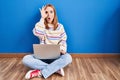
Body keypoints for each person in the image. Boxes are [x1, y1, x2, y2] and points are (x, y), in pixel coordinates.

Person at [22, 4, 72, 79]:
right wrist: (42, 18)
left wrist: (62, 49)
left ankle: (40, 72)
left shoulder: (60, 27)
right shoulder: (41, 26)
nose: (49, 14)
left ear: (54, 14)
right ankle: (55, 69)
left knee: (68, 58)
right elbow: (37, 32)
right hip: (42, 57)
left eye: (51, 12)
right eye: (46, 12)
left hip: (57, 57)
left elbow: (63, 40)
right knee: (25, 59)